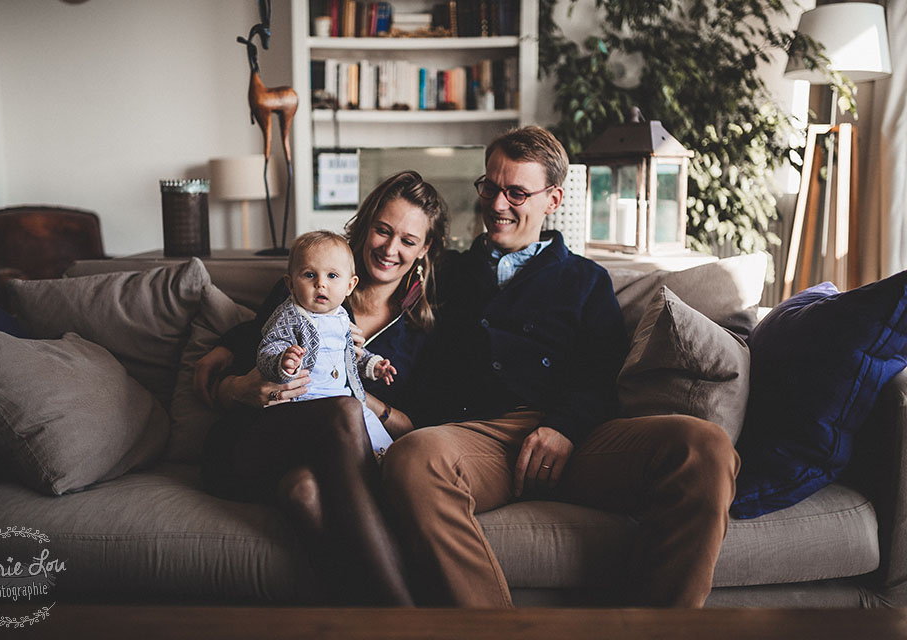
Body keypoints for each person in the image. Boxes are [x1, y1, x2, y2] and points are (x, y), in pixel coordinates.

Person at [382, 126, 740, 608]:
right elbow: (390, 330)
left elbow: (603, 372)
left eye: (516, 192)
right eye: (490, 186)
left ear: (552, 199)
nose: (497, 203)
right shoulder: (444, 274)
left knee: (706, 445)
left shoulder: (584, 280)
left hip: (578, 438)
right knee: (414, 456)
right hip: (477, 437)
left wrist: (564, 426)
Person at [193, 171, 448, 605]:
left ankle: (361, 617)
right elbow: (255, 342)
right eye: (383, 230)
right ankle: (405, 617)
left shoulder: (423, 332)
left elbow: (417, 428)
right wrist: (233, 381)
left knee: (304, 492)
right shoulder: (308, 279)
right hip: (260, 443)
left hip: (335, 462)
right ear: (365, 226)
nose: (390, 249)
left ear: (424, 250)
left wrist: (359, 395)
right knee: (339, 419)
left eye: (407, 240)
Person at [256, 230, 397, 456]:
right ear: (290, 285)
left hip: (346, 402)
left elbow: (350, 356)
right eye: (310, 275)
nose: (321, 284)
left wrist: (373, 365)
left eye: (332, 276)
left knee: (378, 441)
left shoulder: (341, 317)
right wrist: (283, 362)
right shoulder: (290, 317)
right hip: (304, 404)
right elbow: (267, 349)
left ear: (350, 286)